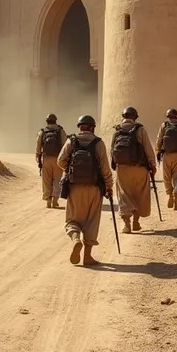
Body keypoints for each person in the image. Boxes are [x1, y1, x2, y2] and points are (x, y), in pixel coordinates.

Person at [57, 114, 113, 266]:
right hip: (94, 188)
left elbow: (60, 161)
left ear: (79, 127)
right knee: (91, 221)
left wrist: (70, 170)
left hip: (74, 187)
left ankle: (75, 239)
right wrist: (109, 186)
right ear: (92, 127)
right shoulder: (98, 143)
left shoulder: (71, 140)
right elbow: (106, 169)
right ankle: (87, 256)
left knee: (72, 219)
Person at [110, 106, 156, 234]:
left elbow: (112, 150)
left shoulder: (117, 130)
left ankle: (127, 225)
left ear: (123, 116)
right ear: (135, 117)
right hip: (140, 168)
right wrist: (153, 165)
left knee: (124, 195)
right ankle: (136, 220)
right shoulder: (140, 129)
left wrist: (115, 165)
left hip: (123, 169)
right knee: (140, 194)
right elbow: (148, 148)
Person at [35, 113, 67, 208]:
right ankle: (55, 200)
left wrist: (38, 158)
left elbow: (38, 145)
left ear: (47, 121)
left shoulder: (42, 131)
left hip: (46, 158)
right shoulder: (60, 130)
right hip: (58, 159)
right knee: (57, 179)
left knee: (46, 180)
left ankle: (48, 200)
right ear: (55, 120)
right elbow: (65, 144)